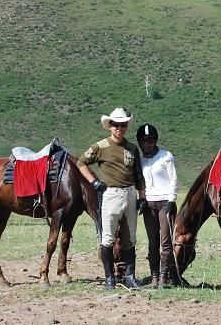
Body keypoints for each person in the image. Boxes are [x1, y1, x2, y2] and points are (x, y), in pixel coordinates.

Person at [77, 107, 146, 290]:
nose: (119, 128)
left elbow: (139, 175)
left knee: (130, 238)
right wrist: (93, 182)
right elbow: (81, 162)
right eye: (116, 125)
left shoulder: (132, 148)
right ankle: (109, 278)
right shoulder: (101, 146)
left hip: (130, 193)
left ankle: (130, 276)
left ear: (126, 127)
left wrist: (142, 197)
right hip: (111, 194)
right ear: (109, 126)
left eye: (123, 125)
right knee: (107, 239)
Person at [136, 123, 180, 288]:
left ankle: (163, 277)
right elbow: (140, 183)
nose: (148, 144)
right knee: (152, 242)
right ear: (140, 142)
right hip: (148, 204)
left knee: (166, 241)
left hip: (164, 203)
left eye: (151, 140)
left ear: (155, 140)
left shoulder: (165, 156)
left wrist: (171, 200)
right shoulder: (140, 161)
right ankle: (154, 276)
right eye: (145, 141)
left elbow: (173, 178)